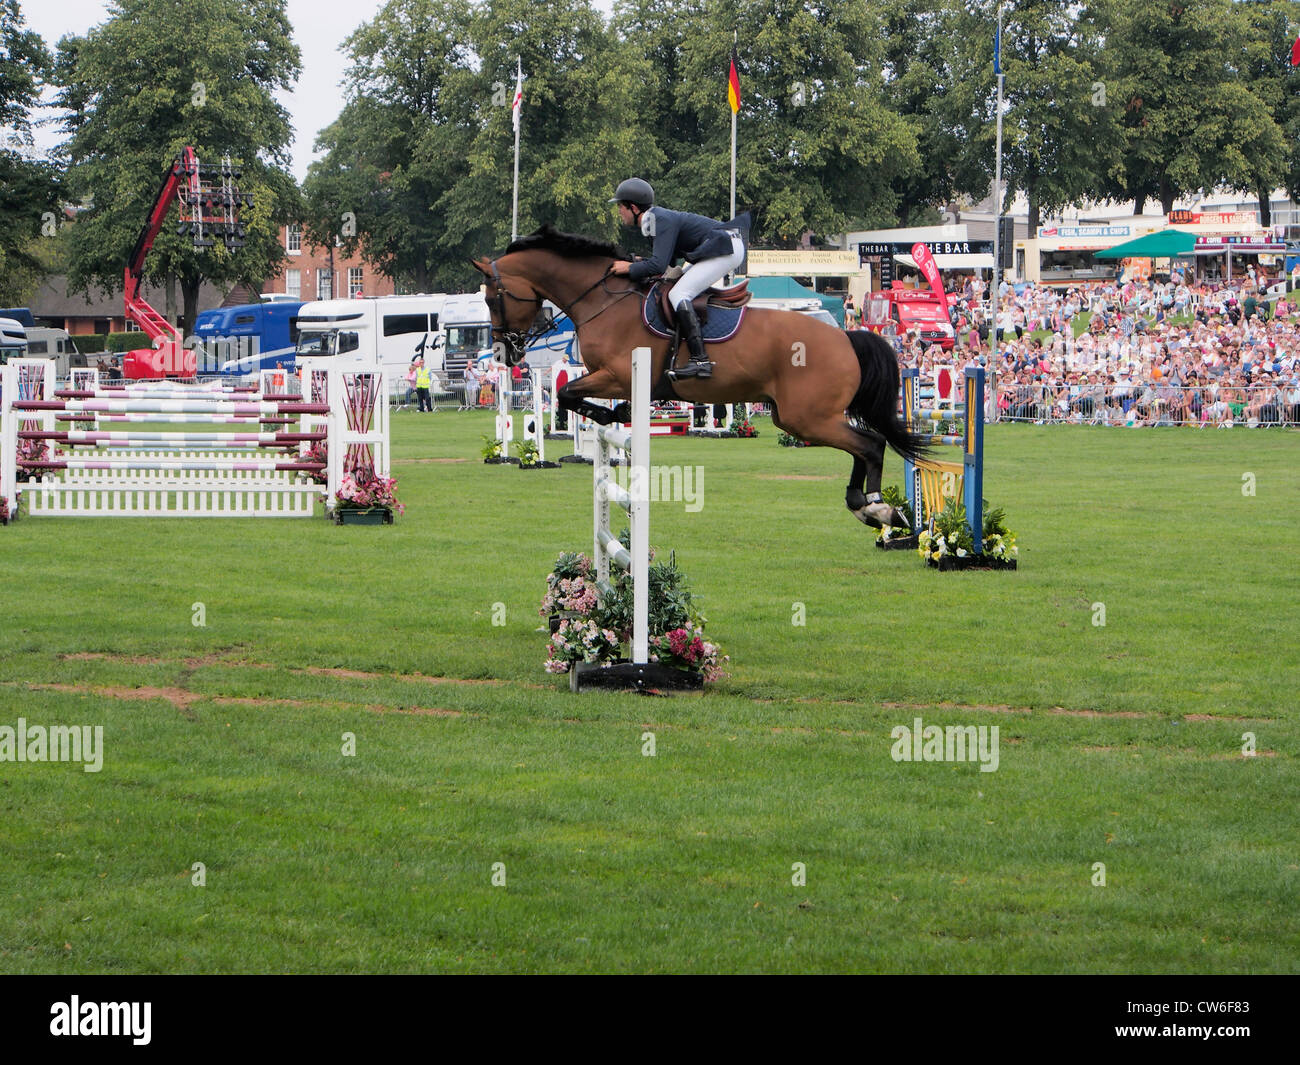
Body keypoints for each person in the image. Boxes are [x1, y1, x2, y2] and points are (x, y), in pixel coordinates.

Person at [607, 177, 747, 380]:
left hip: (727, 247)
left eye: (621, 206)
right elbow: (665, 263)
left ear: (634, 207)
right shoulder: (653, 221)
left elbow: (657, 265)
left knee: (679, 293)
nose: (619, 211)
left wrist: (629, 268)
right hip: (717, 246)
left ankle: (701, 360)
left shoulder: (659, 219)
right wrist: (635, 262)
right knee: (675, 286)